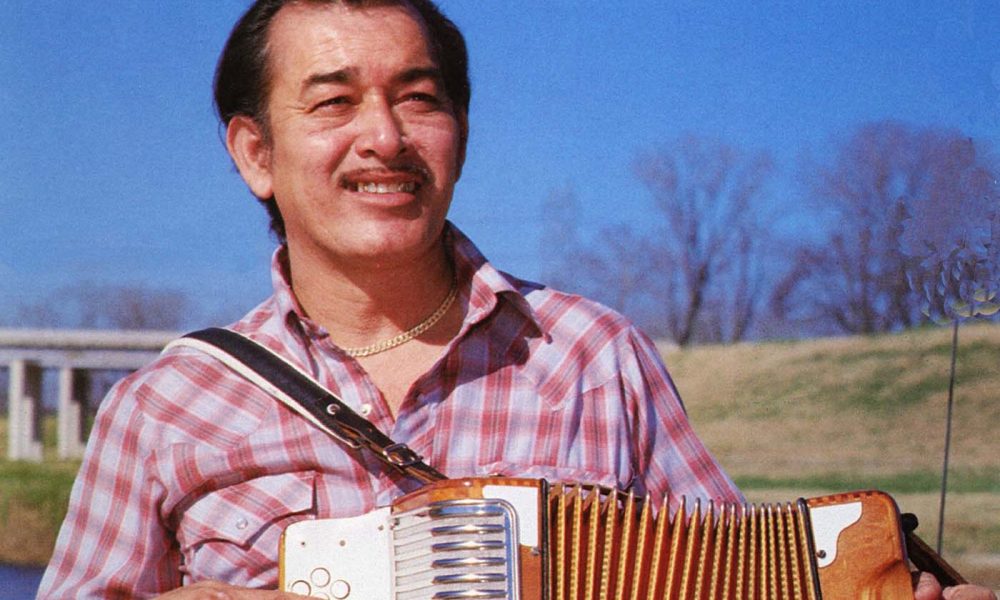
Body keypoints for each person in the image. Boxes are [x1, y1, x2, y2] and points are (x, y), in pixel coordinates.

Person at [37, 1, 996, 599]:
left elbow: (743, 581)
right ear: (255, 153)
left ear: (459, 130)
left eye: (419, 97)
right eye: (333, 102)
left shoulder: (590, 354)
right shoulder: (160, 410)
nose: (384, 137)